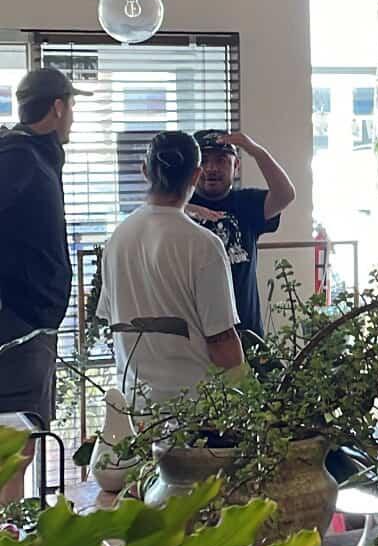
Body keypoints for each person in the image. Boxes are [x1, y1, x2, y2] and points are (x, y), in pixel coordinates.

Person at [98, 132, 244, 405]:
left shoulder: (117, 238)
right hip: (193, 411)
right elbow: (223, 344)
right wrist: (250, 394)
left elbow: (113, 320)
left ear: (145, 171)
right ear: (196, 175)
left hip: (134, 404)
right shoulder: (204, 245)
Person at [0, 66, 86, 501]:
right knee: (13, 451)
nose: (72, 117)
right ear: (56, 107)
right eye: (71, 106)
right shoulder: (18, 157)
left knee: (23, 445)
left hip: (31, 326)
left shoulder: (31, 156)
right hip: (18, 329)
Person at [188, 128, 296, 340]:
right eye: (204, 161)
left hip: (247, 335)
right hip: (196, 340)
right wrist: (185, 209)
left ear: (236, 165)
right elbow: (152, 213)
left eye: (221, 160)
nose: (211, 168)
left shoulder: (247, 204)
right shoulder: (179, 208)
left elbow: (286, 194)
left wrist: (255, 150)